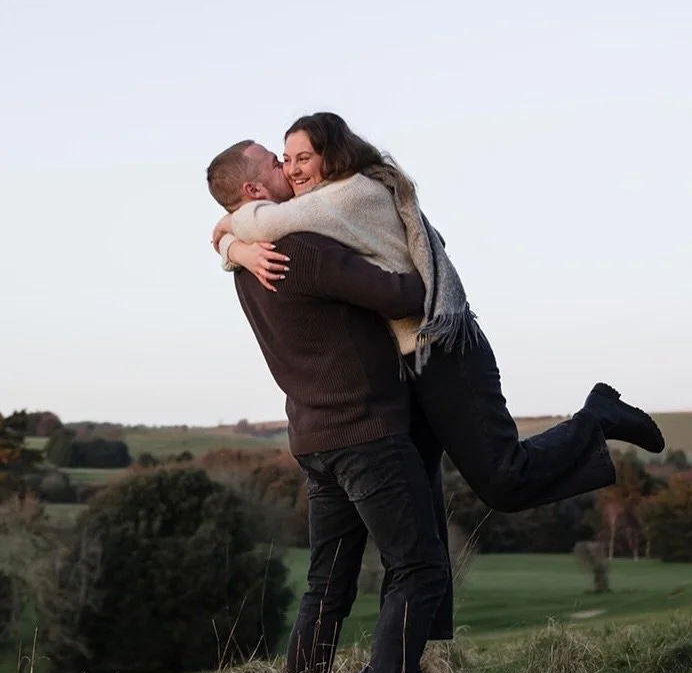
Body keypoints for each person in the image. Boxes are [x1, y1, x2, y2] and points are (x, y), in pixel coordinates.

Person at [212, 113, 665, 521]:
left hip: (443, 350)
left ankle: (597, 417)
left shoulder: (348, 195)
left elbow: (262, 224)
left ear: (332, 156)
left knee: (505, 480)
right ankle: (427, 617)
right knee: (424, 514)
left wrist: (228, 237)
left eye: (301, 158)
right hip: (409, 364)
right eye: (284, 159)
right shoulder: (321, 209)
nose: (290, 169)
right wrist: (235, 247)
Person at [206, 144, 451, 673]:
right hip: (367, 436)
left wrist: (230, 243)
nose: (287, 166)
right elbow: (406, 294)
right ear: (253, 192)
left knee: (327, 586)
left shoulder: (247, 268)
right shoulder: (303, 250)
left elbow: (224, 238)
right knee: (420, 568)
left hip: (315, 443)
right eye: (274, 161)